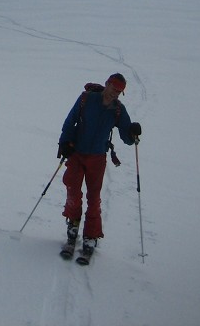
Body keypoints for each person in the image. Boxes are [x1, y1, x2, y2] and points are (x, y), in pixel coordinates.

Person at [57, 73, 141, 259]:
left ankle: (91, 237)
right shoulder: (87, 99)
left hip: (97, 157)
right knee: (73, 191)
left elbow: (127, 137)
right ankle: (73, 228)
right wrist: (64, 143)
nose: (115, 93)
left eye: (119, 92)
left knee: (94, 197)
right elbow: (70, 121)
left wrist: (133, 133)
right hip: (77, 152)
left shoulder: (118, 109)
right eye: (113, 88)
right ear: (107, 84)